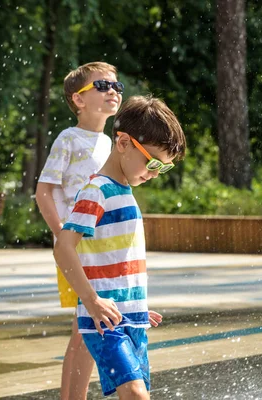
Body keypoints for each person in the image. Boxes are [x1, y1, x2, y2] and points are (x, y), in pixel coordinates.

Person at [53, 95, 186, 399]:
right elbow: (63, 247)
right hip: (103, 323)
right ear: (123, 143)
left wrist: (134, 306)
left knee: (137, 395)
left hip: (127, 316)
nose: (154, 174)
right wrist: (91, 300)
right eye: (152, 163)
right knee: (136, 395)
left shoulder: (122, 192)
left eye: (162, 169)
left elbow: (116, 259)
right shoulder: (97, 190)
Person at [35, 61, 123, 399]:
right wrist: (62, 236)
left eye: (117, 86)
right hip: (76, 245)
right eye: (102, 86)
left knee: (85, 330)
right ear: (79, 100)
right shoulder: (69, 139)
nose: (113, 91)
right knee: (87, 328)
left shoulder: (111, 144)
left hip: (100, 246)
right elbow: (44, 190)